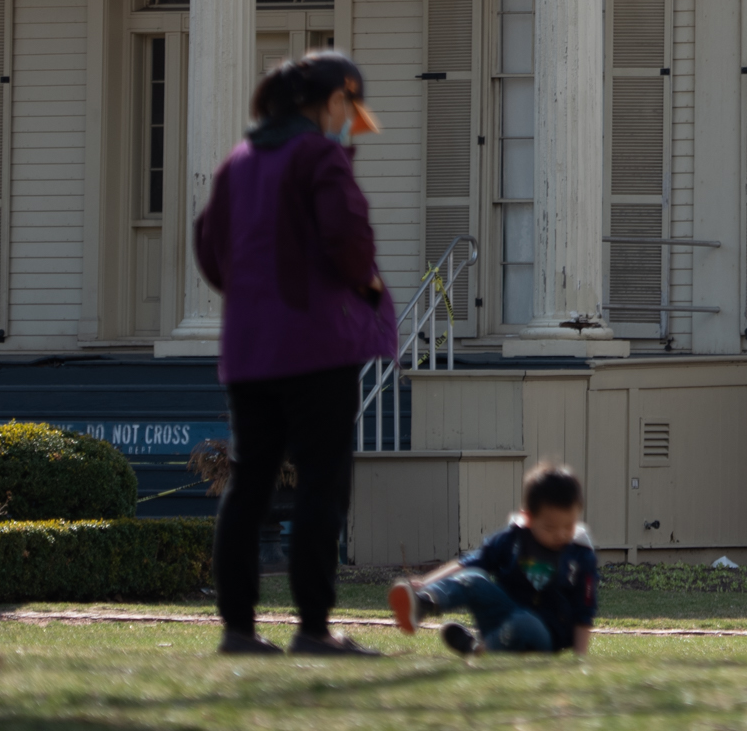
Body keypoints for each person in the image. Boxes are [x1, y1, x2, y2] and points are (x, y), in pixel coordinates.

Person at [194, 50, 397, 656]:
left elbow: (209, 246)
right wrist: (365, 283)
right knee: (322, 484)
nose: (350, 120)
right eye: (348, 106)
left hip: (250, 347)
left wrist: (252, 294)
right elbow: (348, 236)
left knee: (248, 483)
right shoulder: (321, 155)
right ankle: (313, 628)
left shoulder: (239, 160)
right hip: (316, 344)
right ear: (333, 101)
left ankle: (238, 630)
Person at [387, 463, 600, 658]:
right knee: (473, 578)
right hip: (501, 618)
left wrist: (580, 661)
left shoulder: (580, 555)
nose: (561, 534)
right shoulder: (512, 539)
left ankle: (480, 650)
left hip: (542, 636)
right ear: (528, 518)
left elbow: (584, 613)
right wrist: (426, 583)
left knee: (525, 623)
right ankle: (422, 603)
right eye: (550, 527)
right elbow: (469, 562)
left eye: (569, 526)